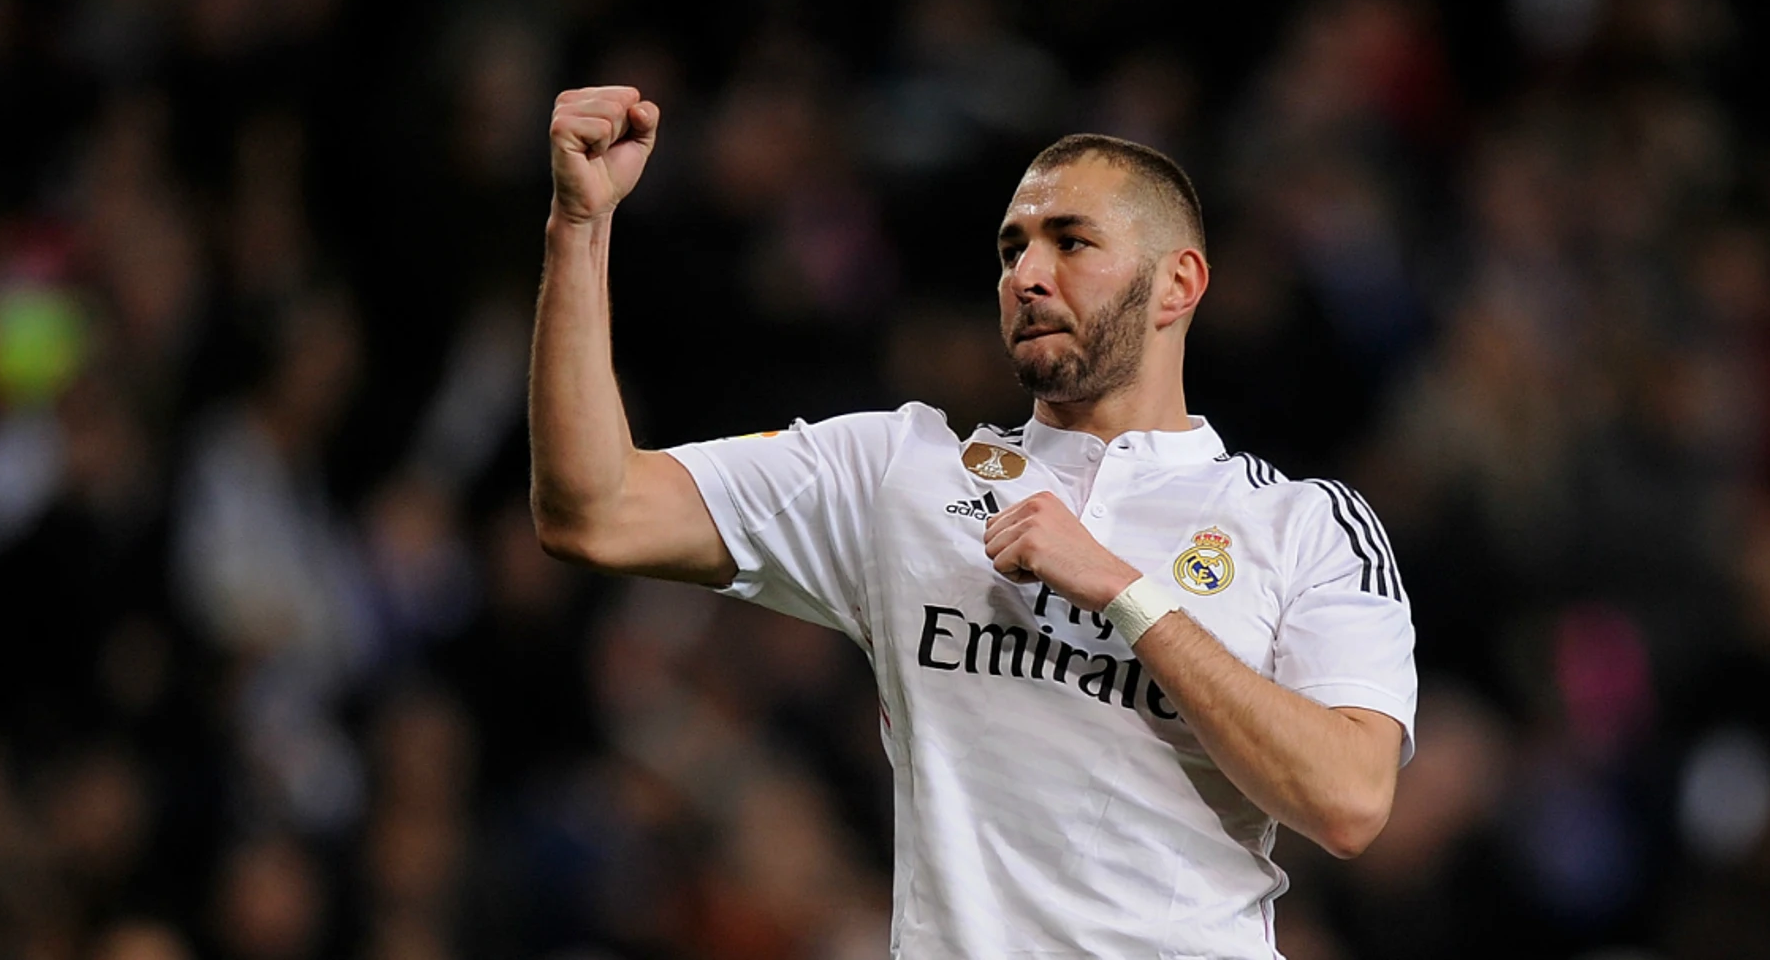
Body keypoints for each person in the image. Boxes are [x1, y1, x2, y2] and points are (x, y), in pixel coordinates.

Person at [529, 85, 1416, 958]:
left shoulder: (1301, 522)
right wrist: (579, 228)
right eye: (1012, 248)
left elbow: (1347, 799)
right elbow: (594, 510)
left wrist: (1126, 593)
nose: (1027, 274)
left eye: (1072, 242)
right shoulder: (895, 473)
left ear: (1177, 283)